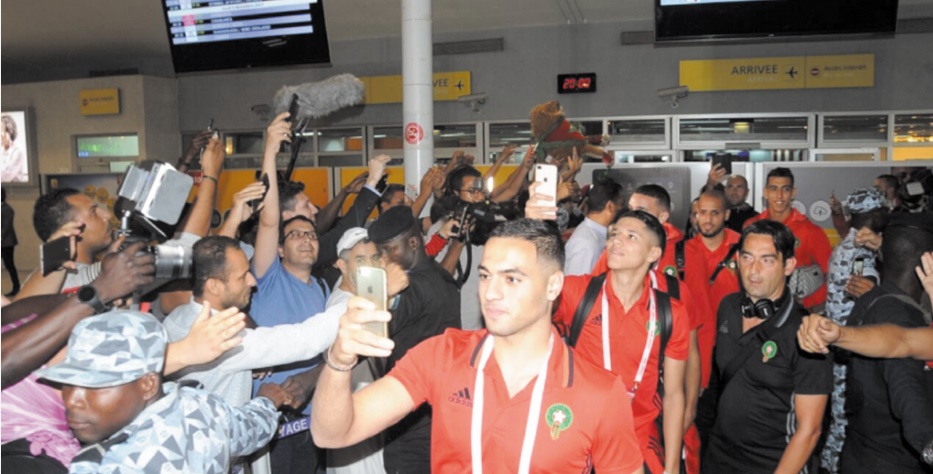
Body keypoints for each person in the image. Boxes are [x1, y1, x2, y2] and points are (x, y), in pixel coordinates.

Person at [310, 219, 645, 473]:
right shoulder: (442, 355)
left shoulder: (599, 392)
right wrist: (339, 360)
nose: (491, 293)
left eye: (511, 278)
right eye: (485, 276)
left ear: (553, 285)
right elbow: (332, 434)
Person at [35, 310, 291, 474]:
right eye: (67, 384)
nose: (72, 401)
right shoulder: (199, 407)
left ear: (147, 384)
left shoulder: (103, 465)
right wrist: (267, 402)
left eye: (94, 386)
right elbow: (249, 430)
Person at [555, 210, 690, 474]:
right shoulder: (576, 292)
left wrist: (673, 466)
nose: (616, 241)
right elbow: (526, 306)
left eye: (630, 236)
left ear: (653, 254)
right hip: (576, 431)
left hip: (636, 434)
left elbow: (673, 394)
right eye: (614, 234)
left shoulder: (670, 313)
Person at [800, 215, 933, 473]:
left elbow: (898, 342)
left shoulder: (872, 298)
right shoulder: (903, 317)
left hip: (861, 453)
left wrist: (838, 334)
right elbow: (904, 372)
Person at [702, 220, 831, 474]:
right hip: (719, 456)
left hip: (773, 463)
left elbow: (811, 429)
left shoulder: (806, 331)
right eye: (747, 258)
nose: (753, 271)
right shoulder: (728, 307)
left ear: (789, 266)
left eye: (768, 260)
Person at [367, 205, 461, 473]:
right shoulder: (441, 277)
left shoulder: (412, 289)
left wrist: (383, 292)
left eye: (389, 250)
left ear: (412, 242)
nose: (383, 259)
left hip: (411, 422)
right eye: (379, 252)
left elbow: (371, 332)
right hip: (442, 414)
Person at [820, 187, 888, 473]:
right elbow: (863, 289)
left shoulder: (850, 243)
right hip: (849, 344)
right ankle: (833, 466)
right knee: (845, 414)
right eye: (883, 210)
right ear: (872, 214)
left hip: (842, 341)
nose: (887, 214)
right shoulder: (860, 251)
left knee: (841, 411)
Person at [744, 167, 831, 311]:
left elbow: (829, 274)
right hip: (759, 308)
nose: (779, 196)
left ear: (793, 193)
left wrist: (808, 304)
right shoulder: (751, 226)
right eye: (773, 189)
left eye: (785, 189)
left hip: (798, 311)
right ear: (765, 192)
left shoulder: (811, 231)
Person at [563, 180, 623, 276]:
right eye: (620, 205)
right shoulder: (586, 243)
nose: (621, 210)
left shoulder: (595, 235)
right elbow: (579, 287)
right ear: (610, 206)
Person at [2, 188, 20, 296]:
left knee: (9, 266)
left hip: (6, 243)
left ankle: (16, 287)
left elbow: (6, 227)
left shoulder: (7, 209)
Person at [1, 114, 27, 183]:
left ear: (10, 132)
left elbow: (5, 177)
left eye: (1, 130)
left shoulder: (18, 152)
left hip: (15, 191)